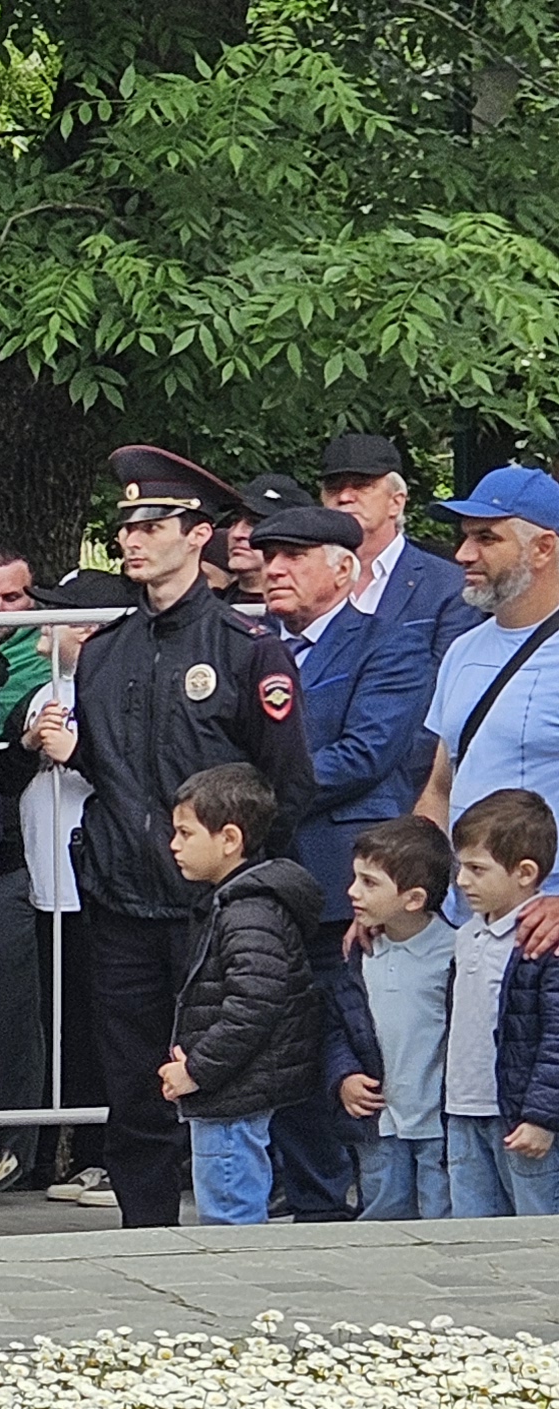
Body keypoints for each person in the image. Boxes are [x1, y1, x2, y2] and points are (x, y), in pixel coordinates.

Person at [44, 447, 315, 1227]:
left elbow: (283, 782)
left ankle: (233, 1225)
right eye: (127, 526)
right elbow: (115, 765)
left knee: (222, 1070)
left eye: (154, 524)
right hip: (124, 899)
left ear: (198, 536)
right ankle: (145, 1231)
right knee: (132, 1081)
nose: (134, 541)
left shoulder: (244, 647)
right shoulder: (104, 653)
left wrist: (245, 885)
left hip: (213, 911)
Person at [253, 504, 441, 1219]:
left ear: (344, 568)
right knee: (286, 1041)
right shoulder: (249, 644)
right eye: (269, 555)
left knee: (350, 1040)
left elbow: (368, 753)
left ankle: (371, 1198)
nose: (276, 568)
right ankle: (313, 1201)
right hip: (268, 882)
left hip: (343, 881)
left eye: (296, 556)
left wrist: (254, 799)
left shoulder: (386, 646)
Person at [157, 764, 321, 1226]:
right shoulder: (235, 904)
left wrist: (198, 1070)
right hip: (230, 1086)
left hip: (232, 1090)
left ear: (229, 839)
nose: (174, 845)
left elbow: (252, 1006)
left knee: (229, 1209)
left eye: (185, 833)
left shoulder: (249, 911)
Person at [414, 467, 559, 844]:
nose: (463, 554)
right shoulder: (463, 649)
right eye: (464, 537)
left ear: (543, 548)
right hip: (461, 897)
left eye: (486, 538)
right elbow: (440, 788)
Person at [329, 815, 456, 1219]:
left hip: (439, 1125)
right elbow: (338, 1025)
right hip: (380, 1123)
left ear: (414, 898)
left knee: (442, 1219)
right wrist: (344, 1075)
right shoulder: (360, 950)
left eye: (369, 882)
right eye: (355, 878)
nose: (352, 892)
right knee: (380, 1220)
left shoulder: (454, 953)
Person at [449, 790, 559, 1217]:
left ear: (525, 872)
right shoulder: (465, 936)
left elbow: (554, 1037)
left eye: (477, 869)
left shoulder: (541, 944)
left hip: (521, 1118)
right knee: (472, 1233)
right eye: (461, 866)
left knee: (537, 1231)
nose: (461, 881)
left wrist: (543, 1117)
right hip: (464, 1110)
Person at [317, 433, 469, 665]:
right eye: (333, 488)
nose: (345, 497)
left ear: (396, 502)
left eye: (362, 485)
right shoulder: (306, 577)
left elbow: (448, 680)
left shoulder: (447, 586)